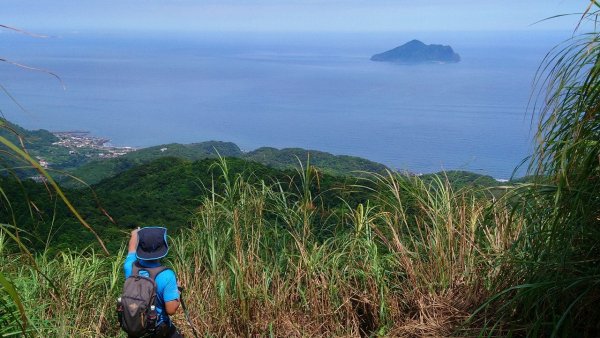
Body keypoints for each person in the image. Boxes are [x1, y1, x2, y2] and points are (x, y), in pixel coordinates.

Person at [124, 226, 183, 338]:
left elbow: (131, 249)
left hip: (135, 327)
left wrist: (135, 234)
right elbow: (171, 310)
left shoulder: (130, 266)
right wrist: (178, 291)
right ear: (163, 248)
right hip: (156, 330)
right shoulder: (167, 275)